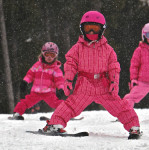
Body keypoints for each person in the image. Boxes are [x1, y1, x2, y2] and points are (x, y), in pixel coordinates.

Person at [41, 11, 141, 139]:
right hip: (84, 84)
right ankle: (54, 124)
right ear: (82, 29)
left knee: (119, 105)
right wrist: (68, 81)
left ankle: (134, 126)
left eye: (95, 28)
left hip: (103, 85)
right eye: (88, 28)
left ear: (102, 30)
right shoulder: (77, 48)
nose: (92, 32)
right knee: (71, 105)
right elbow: (70, 64)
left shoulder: (108, 49)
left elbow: (114, 67)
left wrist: (114, 83)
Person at [12, 42, 66, 120]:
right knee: (25, 102)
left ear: (56, 56)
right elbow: (30, 75)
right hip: (36, 92)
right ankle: (17, 113)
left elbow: (59, 80)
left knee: (57, 102)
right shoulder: (37, 65)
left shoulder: (55, 69)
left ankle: (65, 113)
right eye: (47, 54)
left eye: (52, 55)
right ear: (43, 54)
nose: (49, 57)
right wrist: (25, 82)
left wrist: (61, 89)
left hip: (49, 92)